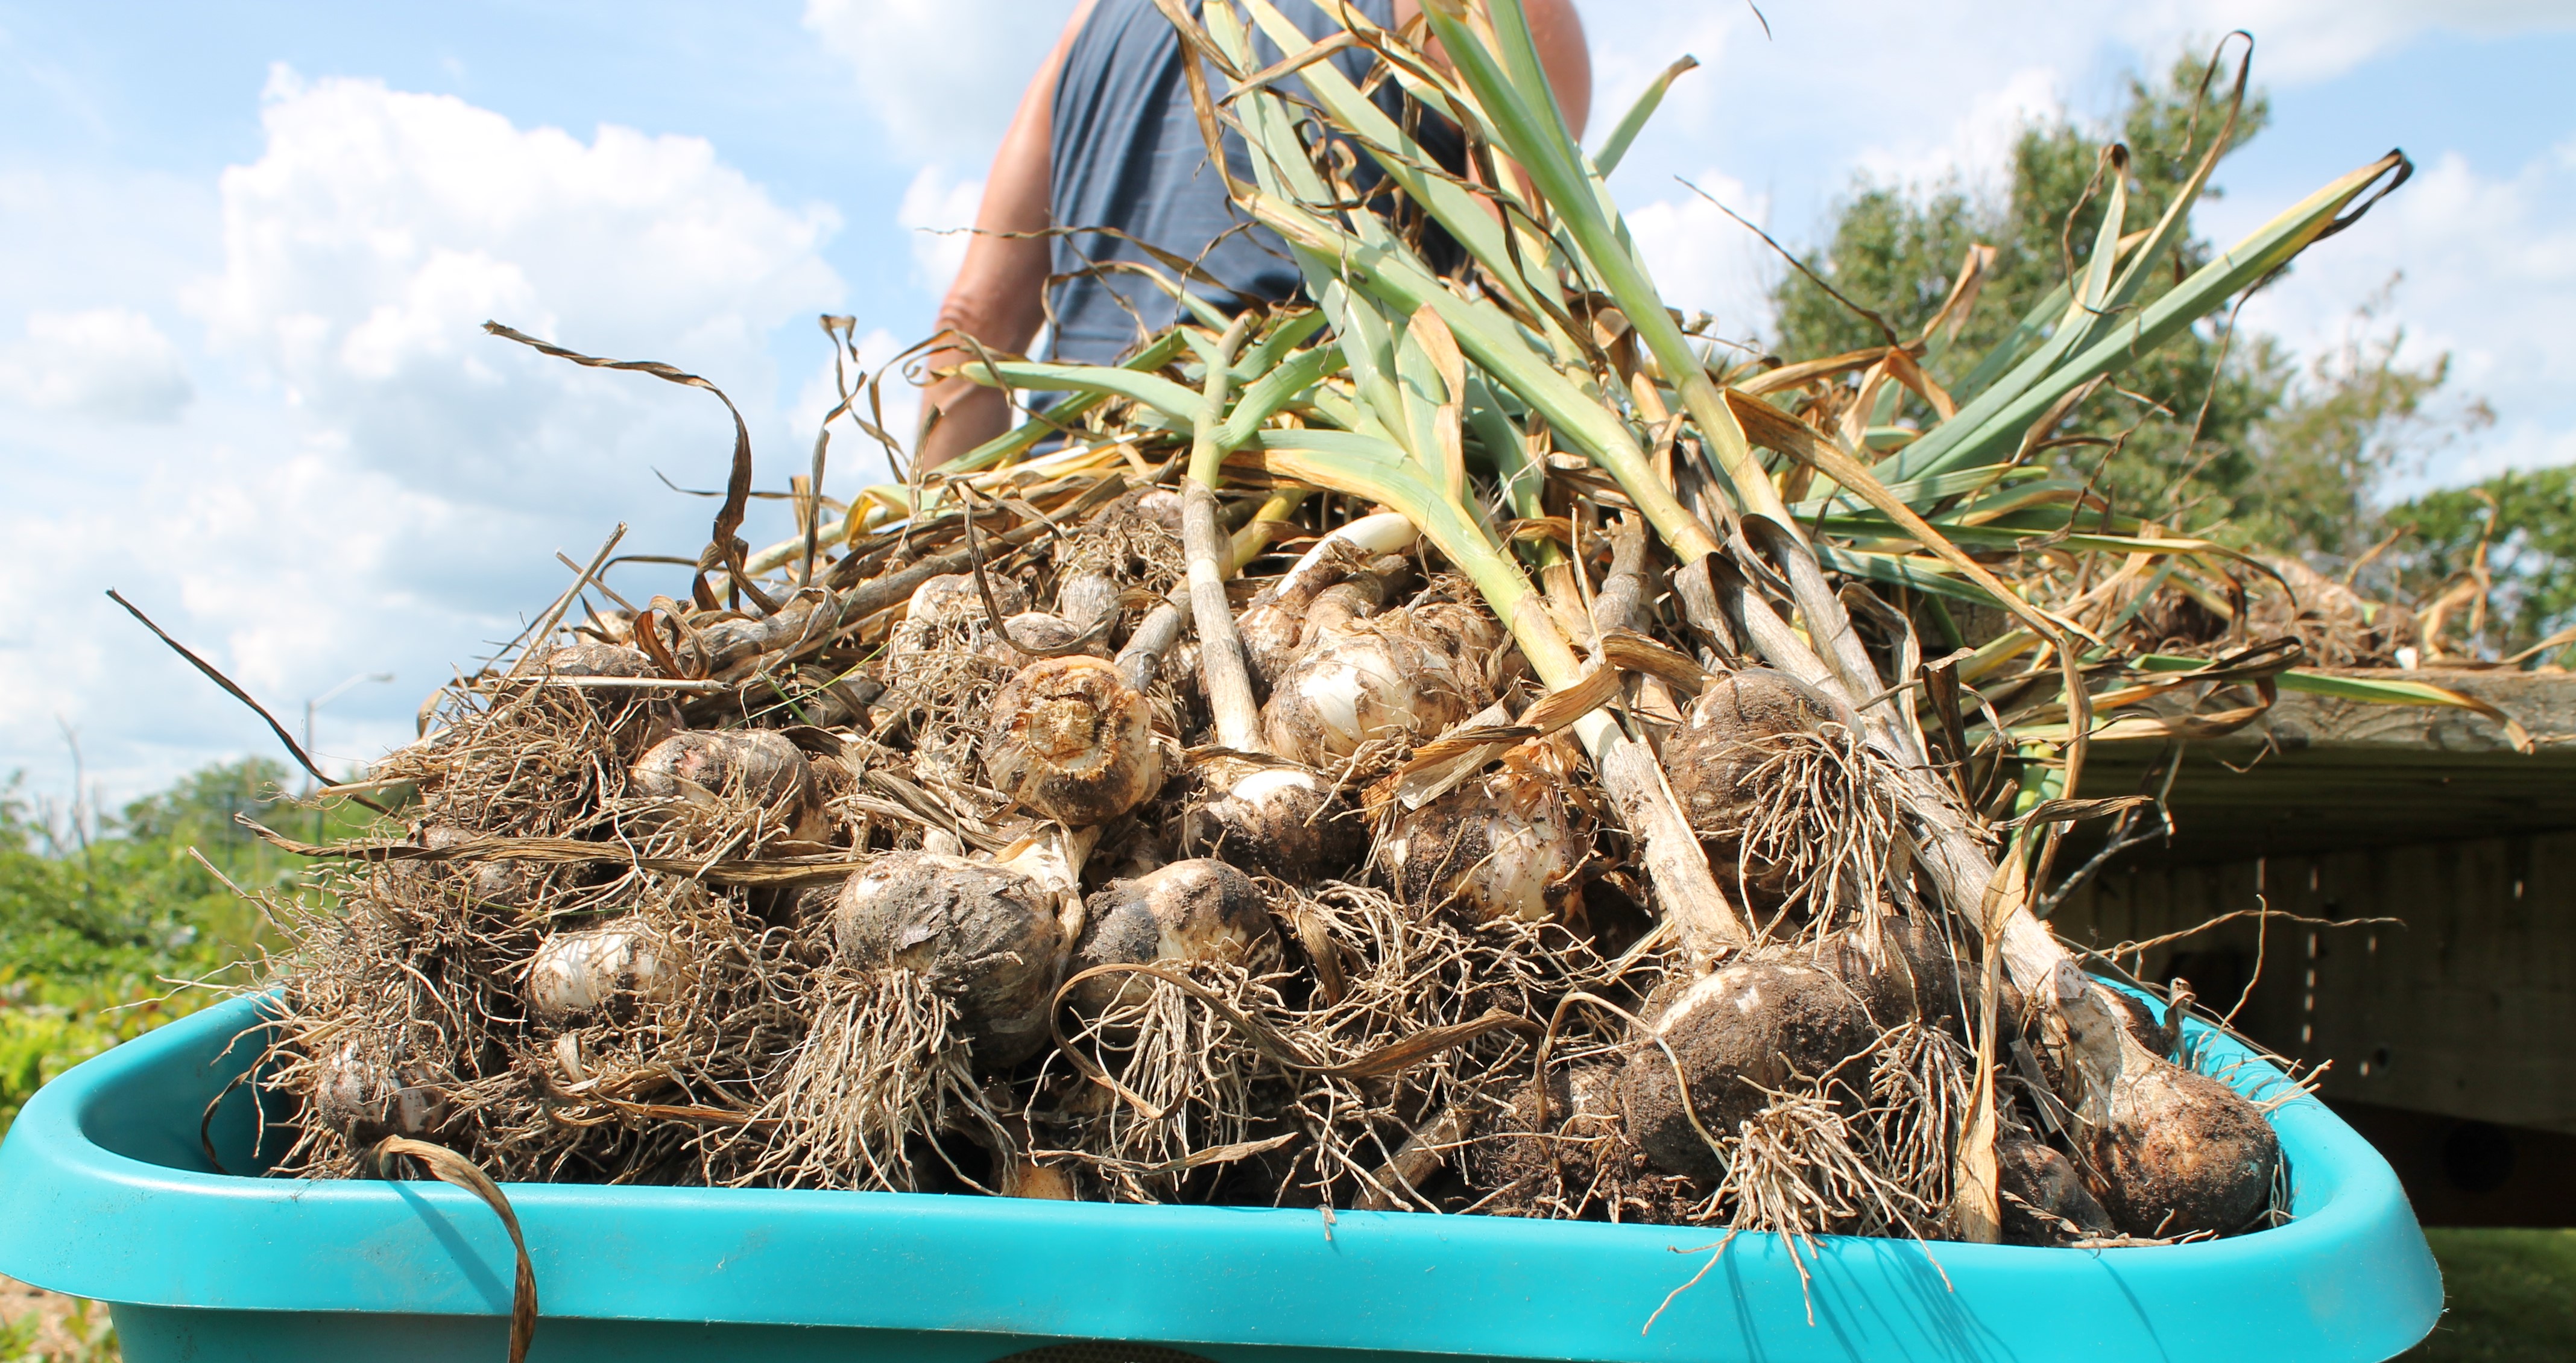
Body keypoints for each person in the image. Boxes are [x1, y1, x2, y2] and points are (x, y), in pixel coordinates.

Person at [917, 0, 1590, 467]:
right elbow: (1520, 285)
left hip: (1063, 490)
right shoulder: (1495, 13)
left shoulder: (1091, 20)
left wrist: (935, 553)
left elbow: (974, 321)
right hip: (1303, 494)